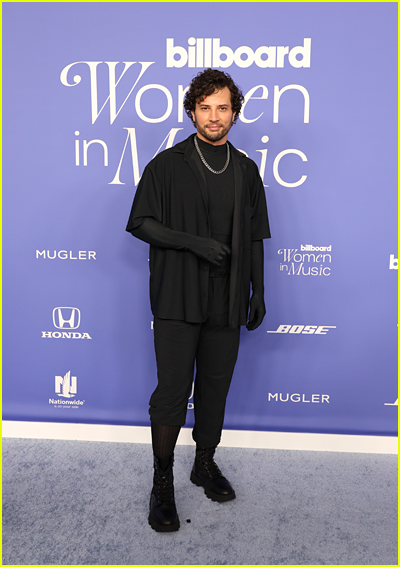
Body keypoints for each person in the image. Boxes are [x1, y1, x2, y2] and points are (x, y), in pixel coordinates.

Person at [126, 68, 271, 532]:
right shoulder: (166, 165)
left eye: (223, 107)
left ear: (234, 114)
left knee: (215, 388)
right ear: (192, 112)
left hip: (226, 298)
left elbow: (254, 238)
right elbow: (141, 223)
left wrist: (258, 292)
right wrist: (195, 243)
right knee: (172, 392)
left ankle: (203, 463)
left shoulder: (246, 170)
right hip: (176, 294)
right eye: (205, 107)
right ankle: (162, 481)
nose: (214, 116)